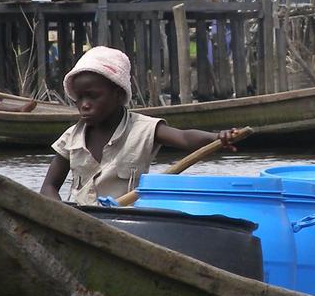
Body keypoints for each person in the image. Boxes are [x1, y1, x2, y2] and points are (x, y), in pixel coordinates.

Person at [40, 46, 241, 205]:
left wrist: (217, 138)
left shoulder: (143, 129)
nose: (84, 104)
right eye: (79, 97)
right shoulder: (71, 137)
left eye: (93, 96)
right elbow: (48, 187)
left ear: (118, 95)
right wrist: (61, 212)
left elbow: (184, 138)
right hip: (80, 223)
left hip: (127, 222)